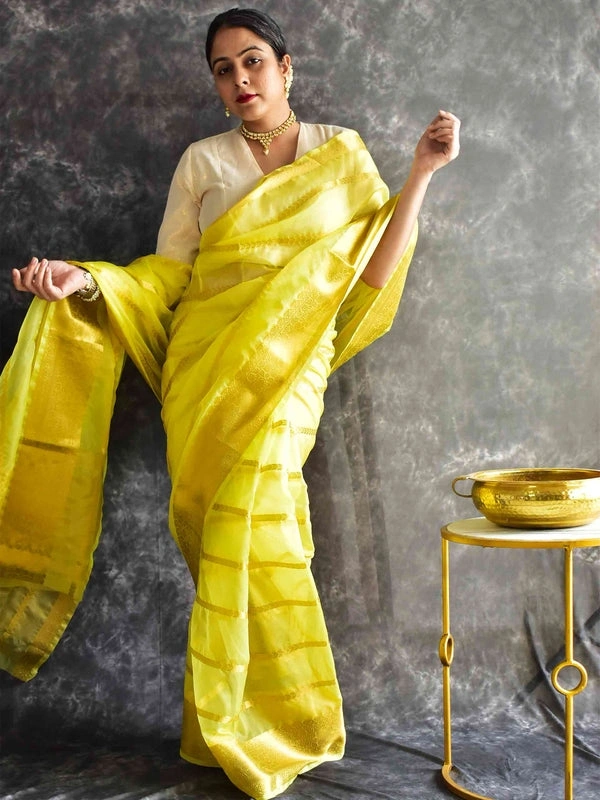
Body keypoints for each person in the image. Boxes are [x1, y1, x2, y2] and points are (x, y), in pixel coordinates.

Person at [1, 8, 460, 799]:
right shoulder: (202, 162)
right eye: (224, 69)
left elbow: (372, 274)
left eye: (253, 61)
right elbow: (168, 276)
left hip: (294, 363)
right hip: (203, 367)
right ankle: (221, 722)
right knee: (220, 536)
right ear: (216, 85)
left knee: (263, 515)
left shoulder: (341, 155)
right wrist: (89, 281)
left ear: (286, 67)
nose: (241, 79)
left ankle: (280, 719)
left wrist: (419, 171)